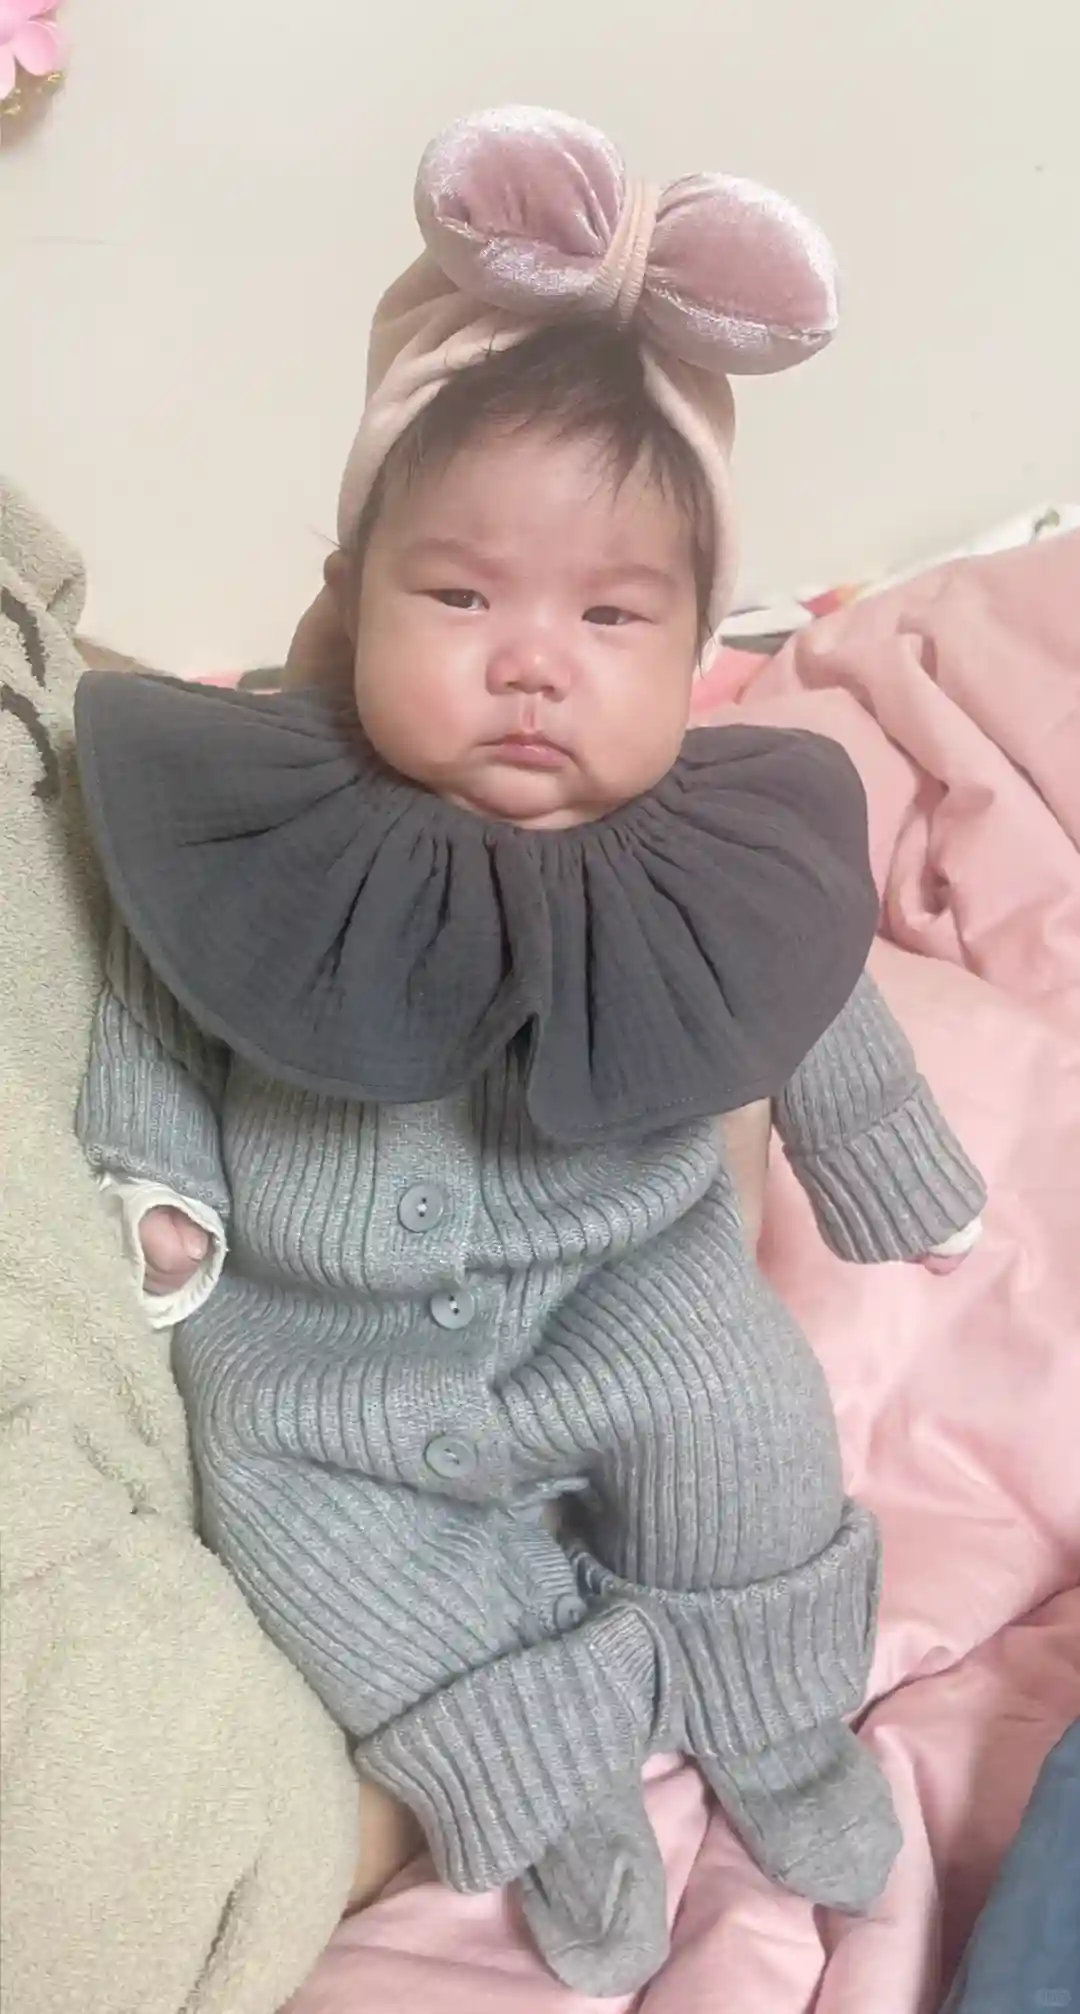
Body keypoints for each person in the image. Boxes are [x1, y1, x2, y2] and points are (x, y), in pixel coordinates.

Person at [69, 108, 985, 1996]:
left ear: (695, 642)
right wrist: (159, 1185)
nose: (531, 660)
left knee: (744, 1418)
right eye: (462, 595)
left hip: (626, 1284)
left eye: (611, 613)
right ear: (351, 590)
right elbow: (168, 977)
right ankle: (547, 1774)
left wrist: (888, 1164)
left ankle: (775, 1718)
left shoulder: (705, 844)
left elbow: (804, 984)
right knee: (318, 1557)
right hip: (317, 1358)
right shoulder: (255, 810)